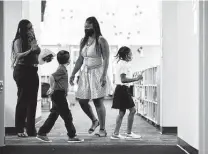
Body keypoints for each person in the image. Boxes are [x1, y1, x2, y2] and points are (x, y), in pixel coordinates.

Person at [70, 16, 110, 137]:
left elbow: (106, 59)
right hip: (85, 73)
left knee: (98, 101)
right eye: (85, 25)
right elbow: (80, 59)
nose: (86, 27)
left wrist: (103, 75)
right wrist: (73, 73)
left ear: (95, 26)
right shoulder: (83, 40)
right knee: (82, 101)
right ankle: (94, 120)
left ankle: (102, 129)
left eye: (89, 25)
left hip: (97, 72)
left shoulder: (101, 40)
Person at [36, 50, 84, 143]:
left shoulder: (62, 68)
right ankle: (72, 136)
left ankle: (42, 133)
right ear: (68, 60)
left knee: (54, 114)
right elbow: (51, 77)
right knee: (67, 116)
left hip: (58, 94)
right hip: (58, 95)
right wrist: (52, 87)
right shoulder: (61, 69)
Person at [11, 19, 43, 137]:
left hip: (33, 70)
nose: (31, 30)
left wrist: (43, 57)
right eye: (29, 28)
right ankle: (19, 129)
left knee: (33, 101)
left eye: (32, 27)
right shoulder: (18, 40)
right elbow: (18, 55)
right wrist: (30, 50)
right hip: (22, 71)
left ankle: (31, 130)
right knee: (23, 100)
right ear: (23, 30)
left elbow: (36, 56)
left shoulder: (32, 40)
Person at [110, 46, 143, 140]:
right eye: (130, 53)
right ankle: (128, 133)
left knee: (122, 112)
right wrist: (136, 79)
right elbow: (123, 79)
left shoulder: (120, 63)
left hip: (121, 89)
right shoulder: (124, 64)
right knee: (132, 110)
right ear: (126, 54)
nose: (131, 55)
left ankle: (116, 134)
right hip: (122, 89)